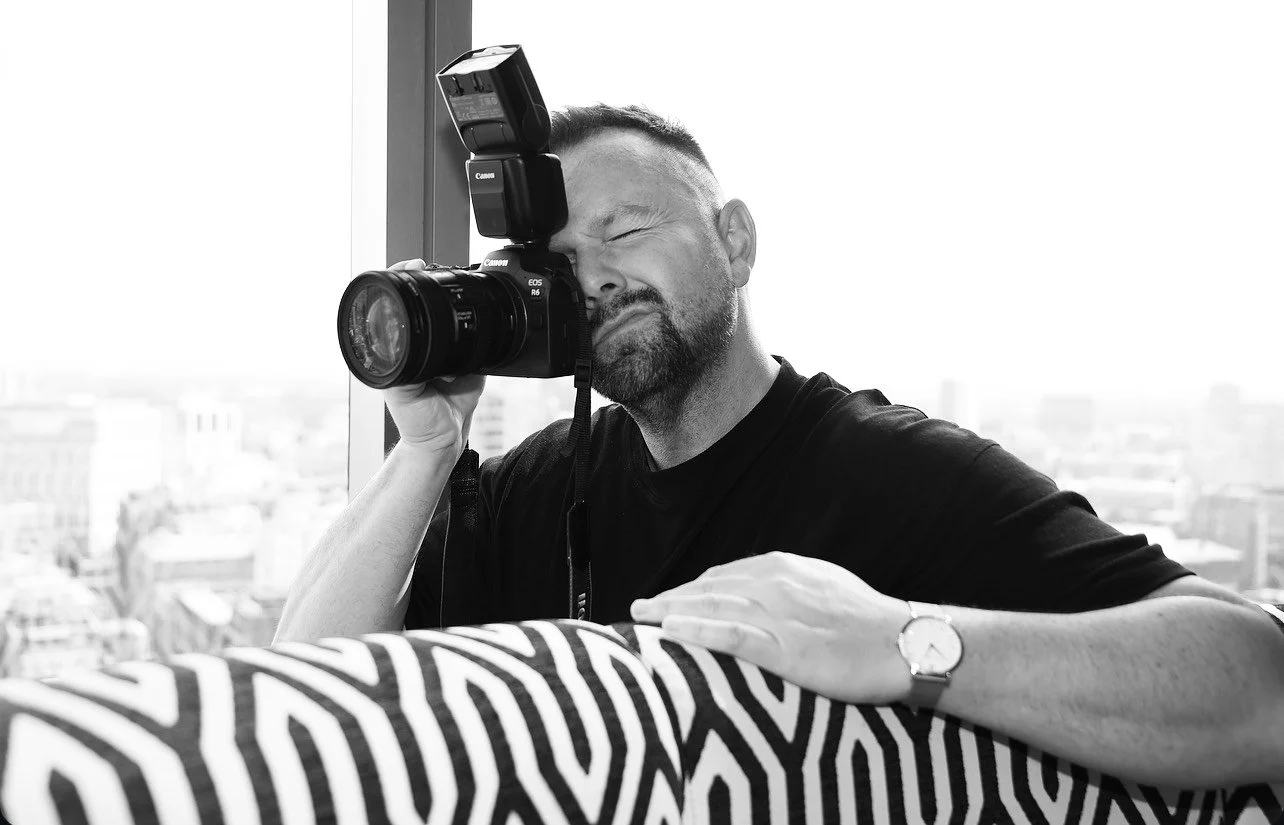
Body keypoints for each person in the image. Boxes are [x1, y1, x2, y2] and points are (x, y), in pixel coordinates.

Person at [276, 104, 1284, 788]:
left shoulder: (890, 472)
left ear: (737, 242)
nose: (594, 281)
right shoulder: (547, 481)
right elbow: (307, 703)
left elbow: (1255, 685)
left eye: (624, 234)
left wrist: (904, 644)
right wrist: (425, 450)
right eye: (560, 264)